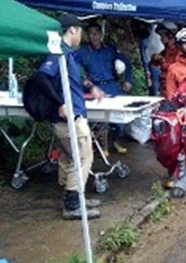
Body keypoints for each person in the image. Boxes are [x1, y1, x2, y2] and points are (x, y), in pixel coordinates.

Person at [35, 14, 106, 220]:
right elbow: (41, 77)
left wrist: (92, 87)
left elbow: (75, 77)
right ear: (72, 30)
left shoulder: (67, 54)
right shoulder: (57, 53)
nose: (81, 35)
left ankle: (76, 197)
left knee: (68, 158)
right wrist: (60, 103)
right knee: (84, 157)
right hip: (68, 119)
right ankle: (72, 205)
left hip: (72, 116)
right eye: (81, 30)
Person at [76, 22, 133, 154]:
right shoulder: (83, 51)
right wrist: (84, 81)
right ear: (87, 35)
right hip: (95, 88)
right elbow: (73, 69)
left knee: (119, 118)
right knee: (101, 119)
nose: (94, 36)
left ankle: (115, 142)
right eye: (91, 33)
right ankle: (103, 146)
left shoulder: (111, 49)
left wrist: (128, 80)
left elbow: (127, 64)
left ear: (101, 34)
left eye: (96, 33)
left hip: (112, 85)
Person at [152, 21, 180, 97]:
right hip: (163, 87)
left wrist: (162, 62)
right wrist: (154, 58)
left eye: (162, 36)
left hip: (173, 87)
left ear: (170, 35)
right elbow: (153, 64)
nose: (161, 39)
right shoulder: (166, 51)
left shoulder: (179, 51)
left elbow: (177, 69)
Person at [140, 23, 165, 96]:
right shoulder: (145, 42)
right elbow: (145, 57)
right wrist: (147, 70)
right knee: (154, 88)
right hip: (153, 66)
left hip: (161, 66)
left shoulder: (162, 39)